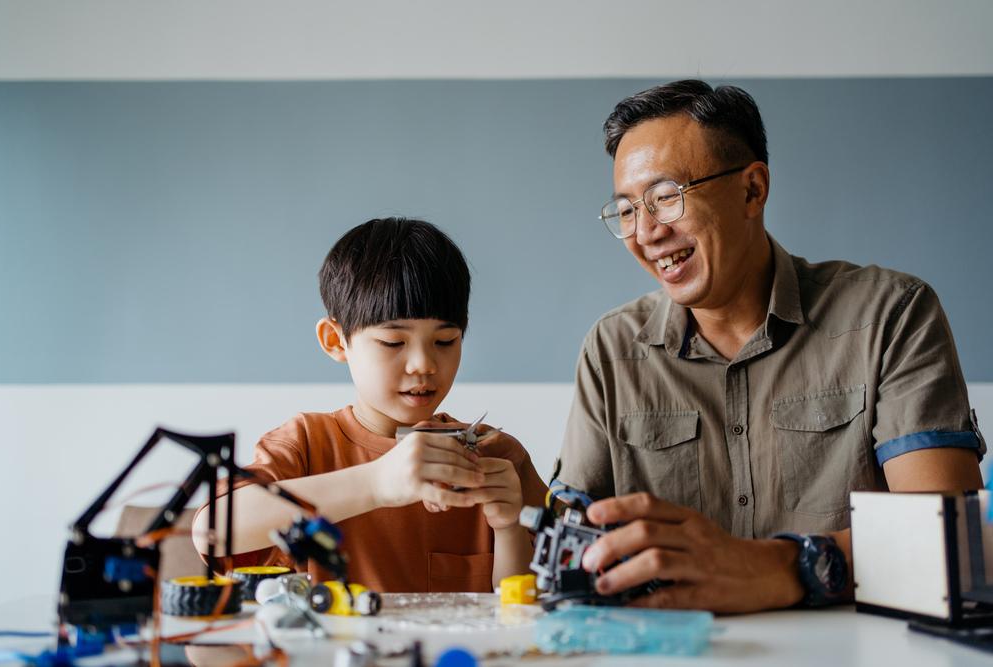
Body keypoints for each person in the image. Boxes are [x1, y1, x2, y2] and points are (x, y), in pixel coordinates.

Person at [556, 80, 985, 613]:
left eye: (665, 197)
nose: (645, 233)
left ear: (752, 190)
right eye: (625, 210)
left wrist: (781, 568)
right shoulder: (611, 348)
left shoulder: (890, 315)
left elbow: (949, 542)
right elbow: (570, 546)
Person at [192, 217, 546, 592]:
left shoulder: (497, 457)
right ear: (335, 340)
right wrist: (376, 482)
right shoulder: (306, 444)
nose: (424, 364)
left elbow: (536, 612)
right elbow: (213, 531)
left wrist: (509, 529)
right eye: (393, 342)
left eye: (445, 341)